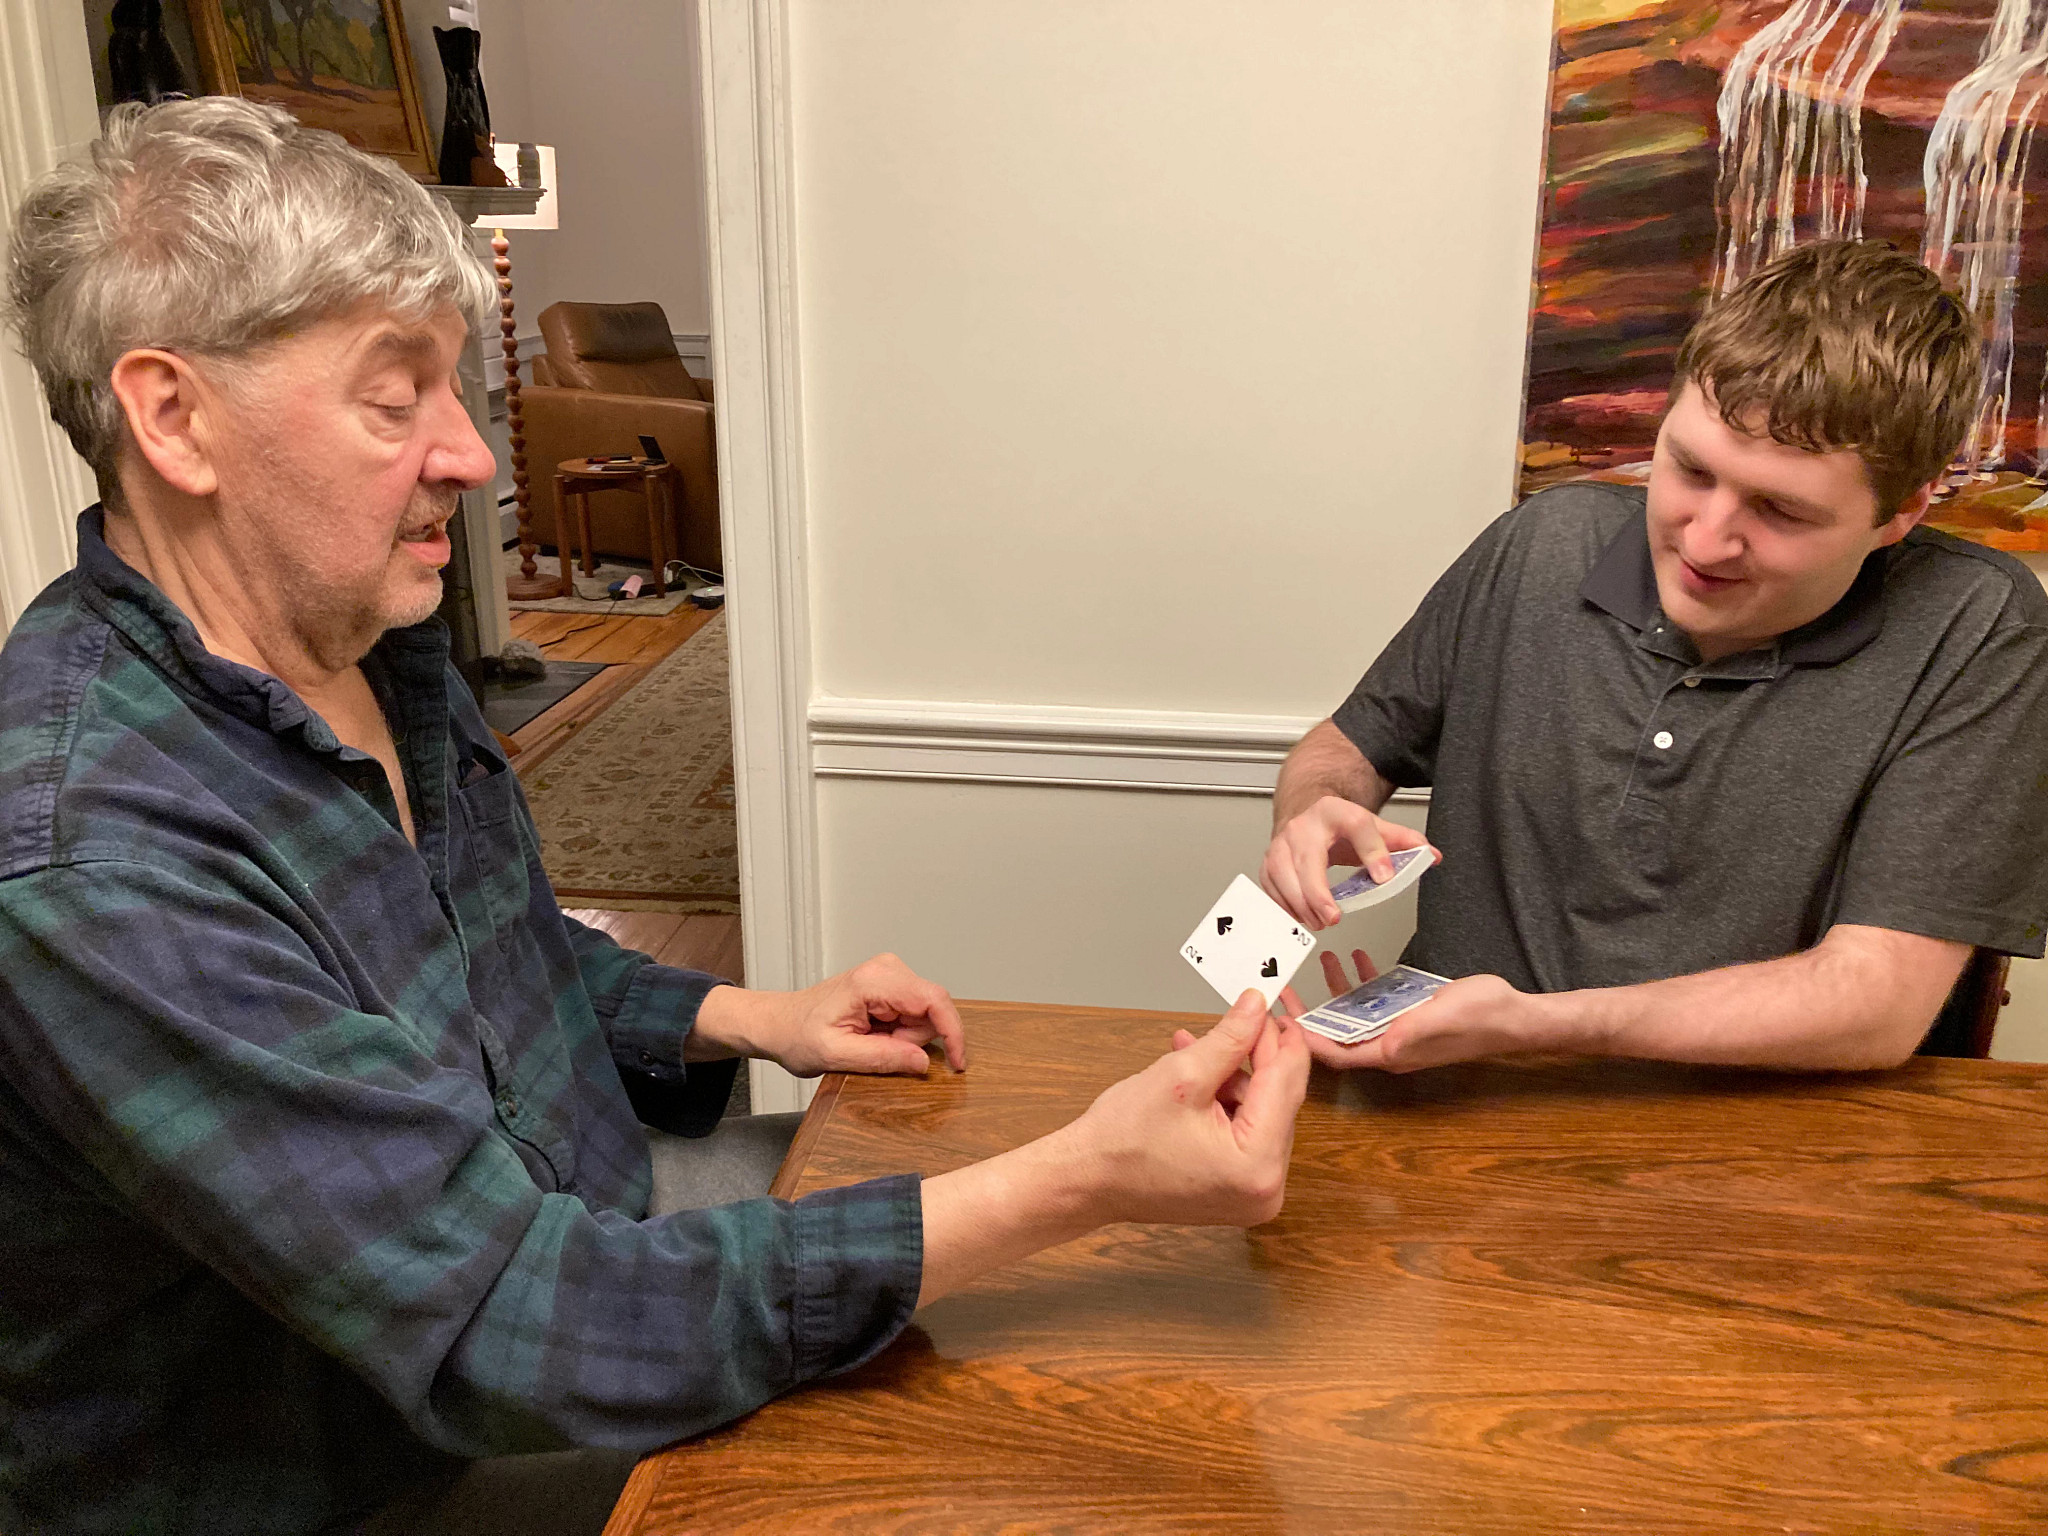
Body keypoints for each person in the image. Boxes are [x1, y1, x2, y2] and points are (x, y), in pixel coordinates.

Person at [0, 98, 1309, 1536]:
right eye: (395, 398)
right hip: (384, 1469)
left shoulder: (367, 635)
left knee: (1098, 1341)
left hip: (589, 1241)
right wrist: (1092, 1183)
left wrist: (754, 1019)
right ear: (175, 417)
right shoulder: (92, 862)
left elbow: (479, 953)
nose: (474, 458)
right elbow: (516, 1329)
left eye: (456, 390)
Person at [1262, 239, 2048, 1076]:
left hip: (1767, 1147)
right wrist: (1312, 811)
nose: (1706, 539)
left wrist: (1537, 1024)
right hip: (1449, 1099)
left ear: (1901, 513)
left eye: (1781, 511)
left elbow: (1874, 1003)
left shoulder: (1981, 626)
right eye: (1689, 470)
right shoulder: (1541, 542)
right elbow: (1342, 750)